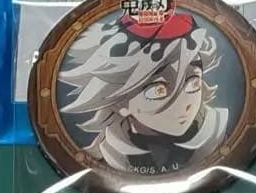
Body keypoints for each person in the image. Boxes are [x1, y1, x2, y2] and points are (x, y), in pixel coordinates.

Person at [57, 10, 228, 174]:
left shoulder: (219, 139)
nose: (185, 104)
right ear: (119, 103)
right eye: (158, 90)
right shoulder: (103, 158)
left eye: (193, 82)